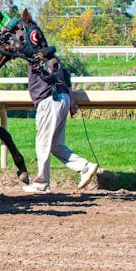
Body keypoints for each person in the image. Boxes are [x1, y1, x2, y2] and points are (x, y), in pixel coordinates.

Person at [23, 45, 100, 193]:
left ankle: (41, 183)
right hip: (62, 99)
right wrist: (71, 101)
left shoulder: (37, 59)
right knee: (55, 145)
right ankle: (85, 167)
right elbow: (66, 77)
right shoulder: (54, 59)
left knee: (43, 144)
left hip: (49, 101)